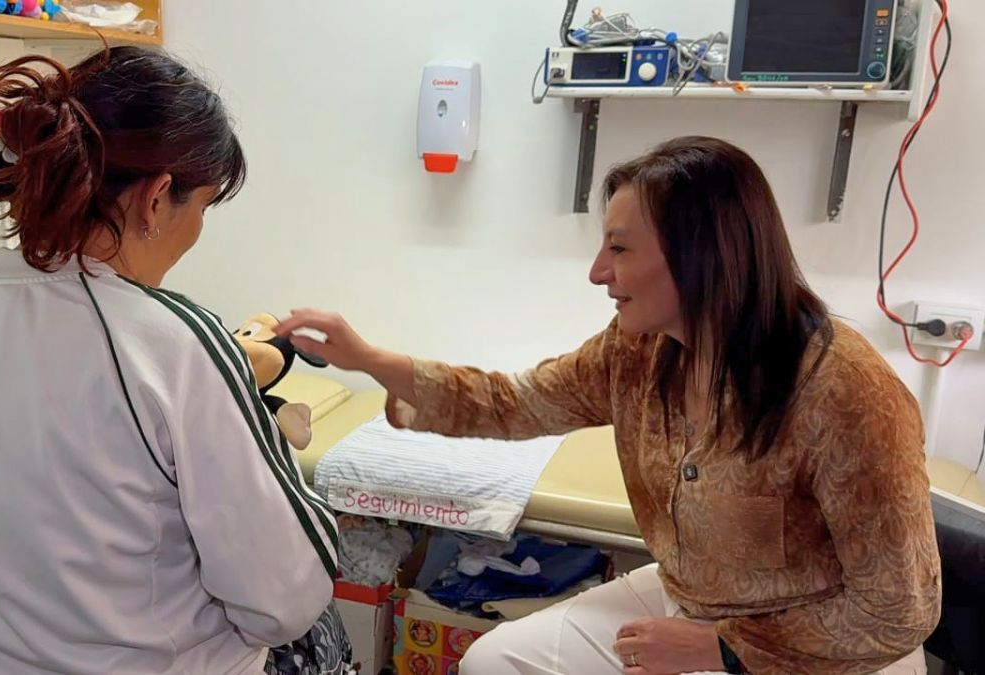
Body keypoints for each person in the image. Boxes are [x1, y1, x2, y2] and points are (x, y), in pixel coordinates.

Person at [274, 137, 941, 675]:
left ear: (701, 254)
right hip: (692, 600)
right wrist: (368, 358)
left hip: (828, 648)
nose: (597, 271)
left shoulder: (845, 392)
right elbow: (517, 402)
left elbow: (897, 611)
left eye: (618, 247)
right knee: (494, 662)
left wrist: (721, 649)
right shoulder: (638, 352)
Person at [0, 46, 349, 675]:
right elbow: (284, 600)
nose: (196, 229)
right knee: (320, 635)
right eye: (201, 207)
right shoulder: (172, 340)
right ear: (156, 199)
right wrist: (273, 447)